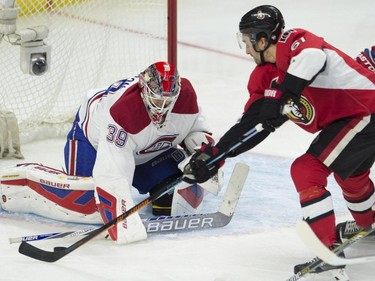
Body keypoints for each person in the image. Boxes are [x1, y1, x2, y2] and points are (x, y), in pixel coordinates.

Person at [181, 4, 375, 279]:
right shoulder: (262, 78)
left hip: (367, 111)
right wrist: (214, 156)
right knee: (351, 176)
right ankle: (370, 223)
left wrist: (284, 94)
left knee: (306, 170)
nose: (245, 49)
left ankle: (328, 251)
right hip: (349, 122)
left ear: (262, 39)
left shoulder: (294, 42)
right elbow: (252, 125)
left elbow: (313, 58)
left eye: (247, 41)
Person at [0, 62, 222, 246]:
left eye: (168, 101)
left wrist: (203, 155)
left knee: (174, 199)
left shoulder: (186, 97)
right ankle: (26, 178)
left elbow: (195, 130)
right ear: (144, 92)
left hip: (147, 148)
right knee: (88, 207)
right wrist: (121, 217)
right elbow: (112, 176)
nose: (162, 108)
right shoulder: (122, 113)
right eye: (156, 100)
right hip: (93, 139)